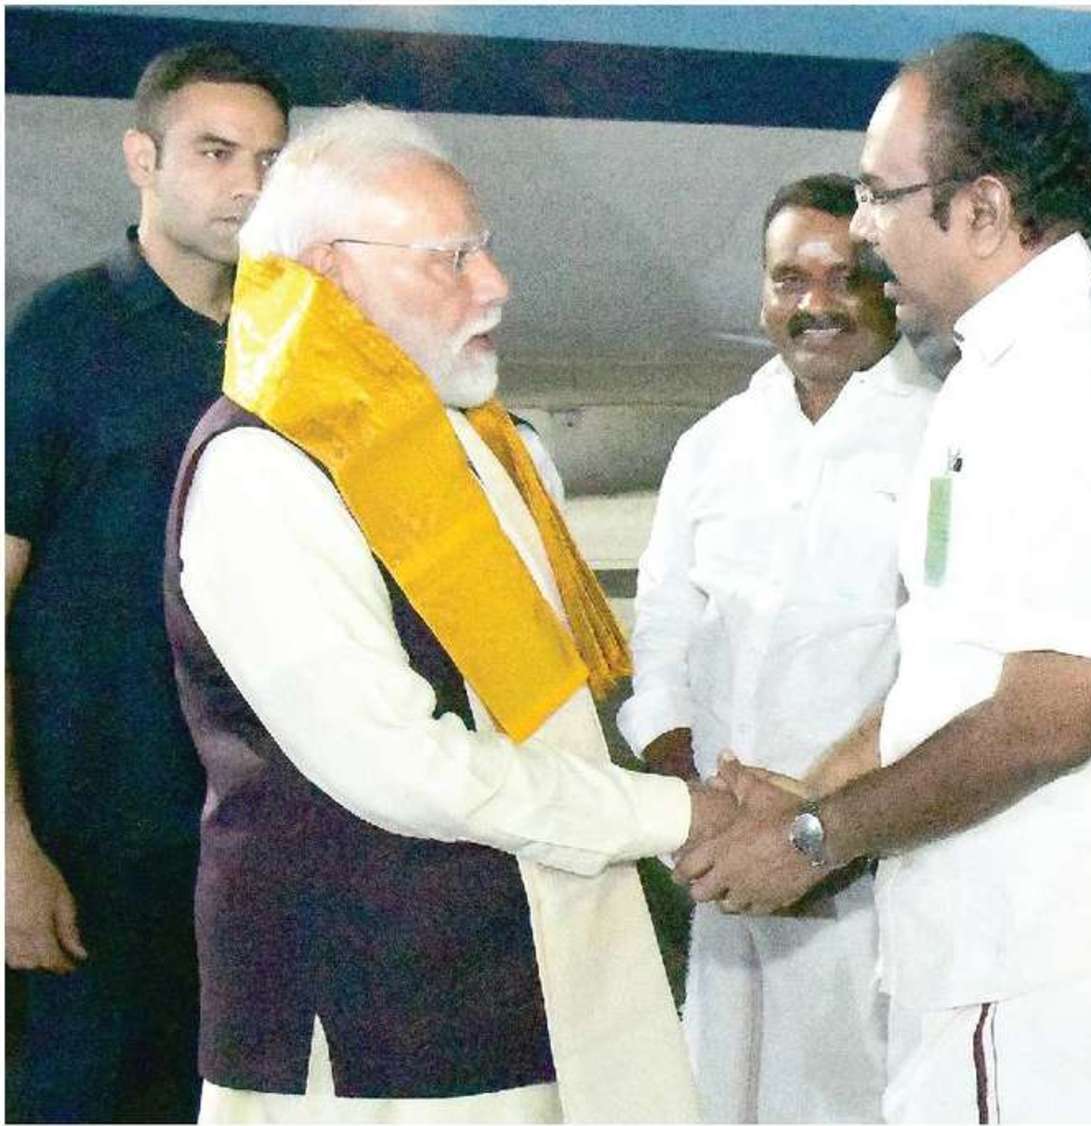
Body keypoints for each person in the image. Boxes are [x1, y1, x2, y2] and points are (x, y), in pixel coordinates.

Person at [676, 33, 1091, 1124]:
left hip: (1070, 978)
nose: (862, 229)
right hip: (1005, 958)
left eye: (880, 193)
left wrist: (815, 841)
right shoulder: (995, 379)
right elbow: (948, 669)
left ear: (985, 209)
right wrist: (812, 788)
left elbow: (1047, 718)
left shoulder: (1083, 393)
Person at [162, 102, 736, 1123]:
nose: (495, 284)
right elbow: (398, 766)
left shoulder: (472, 441)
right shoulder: (263, 471)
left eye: (484, 250)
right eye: (452, 258)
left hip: (525, 980)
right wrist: (675, 814)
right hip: (373, 1026)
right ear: (334, 274)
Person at [5, 44, 289, 1124]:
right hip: (90, 857)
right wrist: (8, 846)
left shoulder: (292, 340)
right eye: (215, 153)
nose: (247, 185)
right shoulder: (60, 337)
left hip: (251, 848)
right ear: (142, 158)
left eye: (268, 159)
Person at [617, 173, 938, 1122]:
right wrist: (684, 782)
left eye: (845, 276)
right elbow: (666, 622)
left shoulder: (944, 440)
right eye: (789, 279)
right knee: (722, 1085)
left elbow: (951, 662)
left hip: (870, 863)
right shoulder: (713, 445)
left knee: (857, 1091)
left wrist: (828, 824)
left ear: (887, 287)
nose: (815, 304)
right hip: (723, 853)